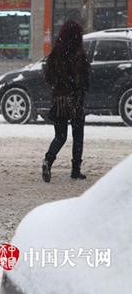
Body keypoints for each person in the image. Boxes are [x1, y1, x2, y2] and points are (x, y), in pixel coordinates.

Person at [42, 19, 91, 183]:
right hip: (75, 100)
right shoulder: (79, 56)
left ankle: (48, 160)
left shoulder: (55, 54)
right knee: (78, 136)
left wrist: (59, 87)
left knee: (60, 136)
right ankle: (75, 170)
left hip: (60, 100)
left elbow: (49, 78)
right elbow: (83, 81)